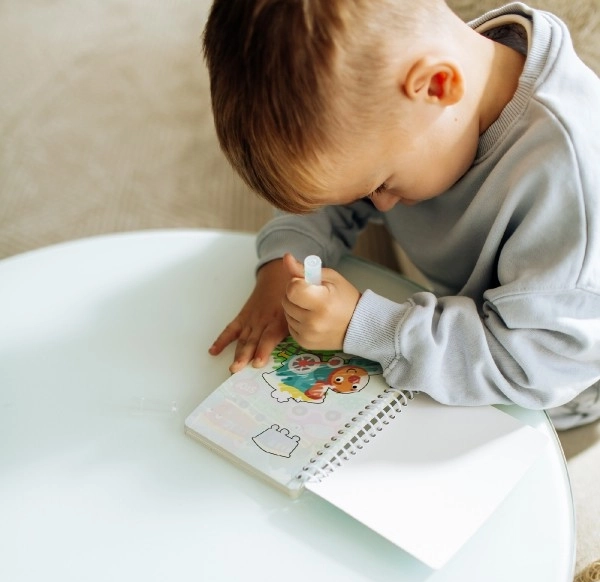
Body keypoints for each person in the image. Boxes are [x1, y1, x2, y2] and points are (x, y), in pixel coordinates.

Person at [203, 0, 600, 430]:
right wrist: (288, 259)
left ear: (437, 86)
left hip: (548, 371)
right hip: (456, 314)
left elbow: (532, 368)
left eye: (382, 185)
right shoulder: (411, 88)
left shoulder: (571, 183)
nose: (379, 205)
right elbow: (334, 185)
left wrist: (373, 328)